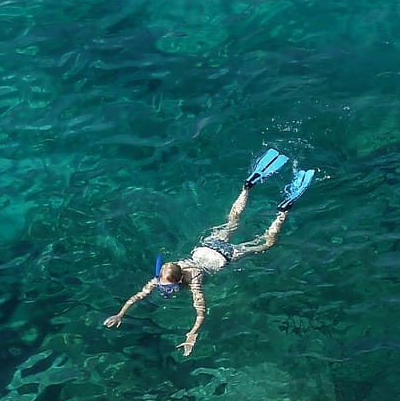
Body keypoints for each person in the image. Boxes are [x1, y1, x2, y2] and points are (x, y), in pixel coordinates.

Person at [103, 149, 315, 356]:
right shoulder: (164, 275)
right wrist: (120, 313)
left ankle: (282, 212)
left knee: (266, 244)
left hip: (224, 255)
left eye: (167, 289)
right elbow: (138, 296)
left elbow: (201, 311)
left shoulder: (193, 280)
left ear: (177, 281)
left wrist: (192, 334)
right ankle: (248, 186)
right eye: (162, 288)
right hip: (208, 245)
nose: (164, 291)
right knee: (233, 220)